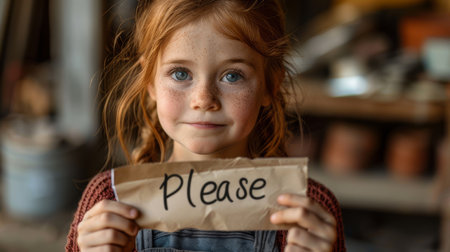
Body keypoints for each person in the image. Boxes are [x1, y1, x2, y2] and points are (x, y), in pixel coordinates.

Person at [66, 0, 346, 251]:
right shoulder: (108, 203)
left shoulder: (307, 213)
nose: (204, 100)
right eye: (180, 73)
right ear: (150, 81)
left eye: (232, 76)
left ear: (270, 85)